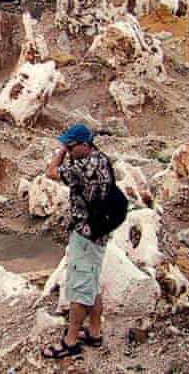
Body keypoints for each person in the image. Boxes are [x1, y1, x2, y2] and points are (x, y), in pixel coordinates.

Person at [42, 123, 113, 360]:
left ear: (84, 145)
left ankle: (70, 341)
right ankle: (94, 332)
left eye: (71, 147)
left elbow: (51, 172)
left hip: (86, 235)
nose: (68, 150)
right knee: (91, 283)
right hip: (99, 233)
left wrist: (60, 154)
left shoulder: (83, 168)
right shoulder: (101, 158)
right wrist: (69, 150)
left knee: (80, 289)